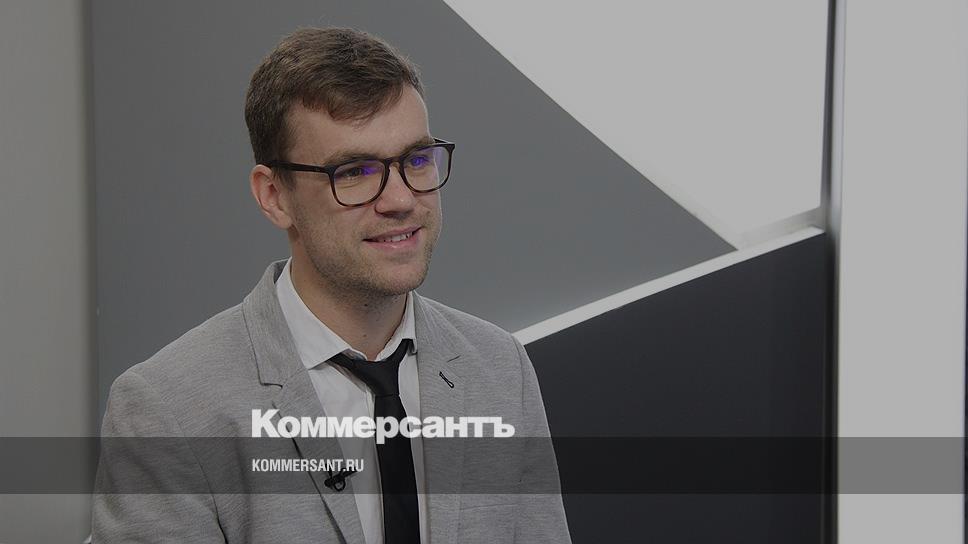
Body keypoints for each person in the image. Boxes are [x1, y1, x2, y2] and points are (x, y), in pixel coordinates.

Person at [92, 27, 571, 544]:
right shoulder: (167, 411)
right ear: (275, 196)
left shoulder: (500, 369)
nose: (400, 200)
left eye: (416, 160)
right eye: (355, 171)